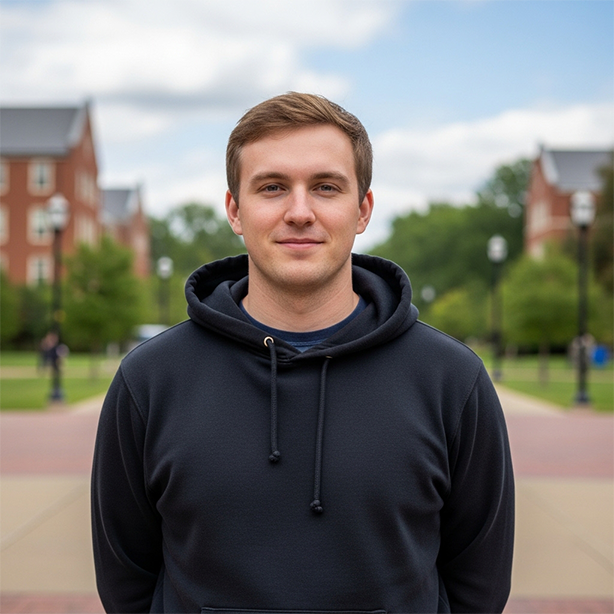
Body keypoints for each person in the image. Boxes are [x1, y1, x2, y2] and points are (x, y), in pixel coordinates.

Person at [91, 92, 514, 614]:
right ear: (235, 210)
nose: (299, 212)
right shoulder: (150, 380)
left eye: (325, 187)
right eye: (271, 188)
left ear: (362, 210)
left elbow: (479, 584)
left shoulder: (452, 380)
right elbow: (126, 580)